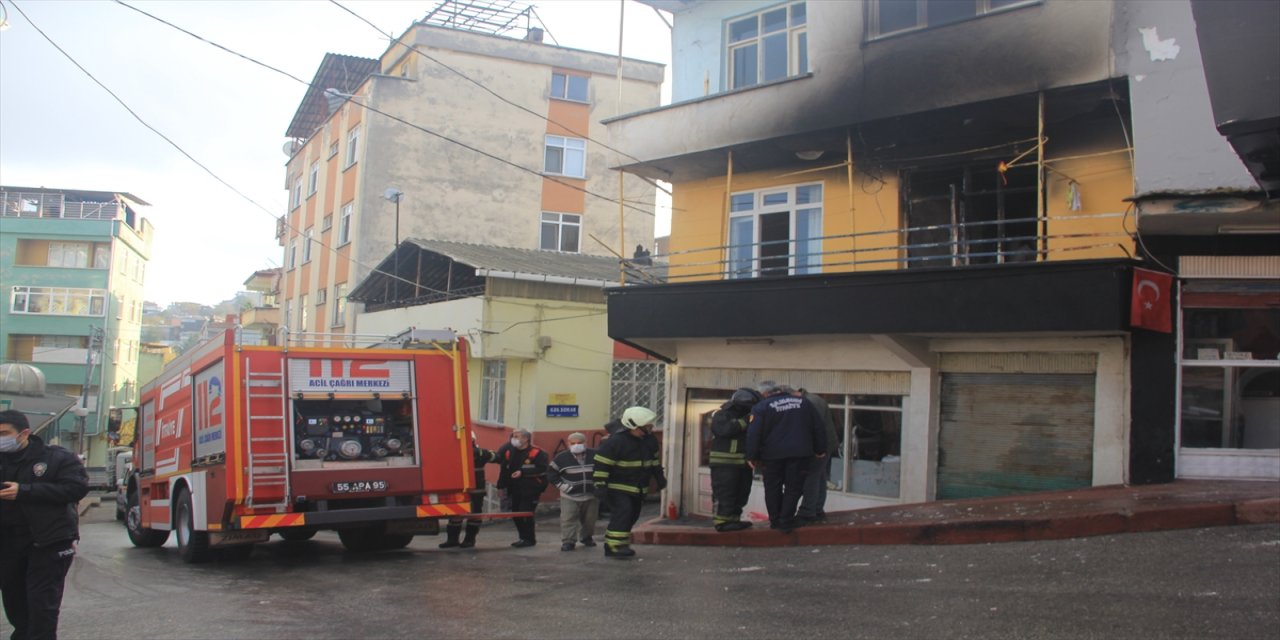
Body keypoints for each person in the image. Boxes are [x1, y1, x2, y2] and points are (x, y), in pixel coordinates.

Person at [0, 409, 89, 640]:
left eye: (4, 433)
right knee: (15, 605)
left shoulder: (56, 458)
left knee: (41, 607)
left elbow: (76, 488)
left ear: (24, 433)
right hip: (8, 545)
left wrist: (24, 491)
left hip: (48, 543)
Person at [746, 382, 827, 534]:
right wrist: (820, 449)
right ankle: (786, 520)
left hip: (772, 456)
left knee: (772, 487)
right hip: (800, 454)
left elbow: (754, 433)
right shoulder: (804, 403)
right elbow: (818, 427)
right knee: (794, 487)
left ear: (765, 394)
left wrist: (752, 456)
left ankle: (775, 519)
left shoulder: (762, 407)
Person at [592, 406, 666, 559]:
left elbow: (653, 461)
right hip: (617, 487)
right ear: (634, 425)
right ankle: (614, 547)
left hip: (638, 487)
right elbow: (602, 465)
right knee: (623, 513)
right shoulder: (615, 442)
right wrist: (600, 485)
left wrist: (659, 478)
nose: (651, 427)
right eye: (647, 426)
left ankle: (620, 543)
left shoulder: (650, 441)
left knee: (632, 515)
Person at [708, 388, 761, 532]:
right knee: (725, 493)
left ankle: (734, 520)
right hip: (724, 464)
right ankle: (721, 522)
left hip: (742, 463)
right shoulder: (722, 415)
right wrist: (746, 421)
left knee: (741, 492)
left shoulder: (749, 416)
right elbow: (725, 430)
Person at [439, 435, 498, 549]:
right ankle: (469, 540)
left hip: (458, 489)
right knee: (474, 515)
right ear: (473, 440)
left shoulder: (451, 452)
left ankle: (452, 540)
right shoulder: (481, 452)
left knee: (456, 514)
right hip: (476, 491)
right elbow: (497, 457)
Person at [495, 429, 548, 547]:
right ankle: (523, 537)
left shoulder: (537, 453)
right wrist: (500, 487)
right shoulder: (509, 451)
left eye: (517, 436)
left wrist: (522, 472)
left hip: (531, 489)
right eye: (513, 436)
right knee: (516, 514)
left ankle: (529, 539)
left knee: (526, 513)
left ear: (526, 439)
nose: (513, 439)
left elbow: (542, 469)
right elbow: (504, 469)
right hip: (514, 488)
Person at [547, 432, 598, 551]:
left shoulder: (595, 455)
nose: (576, 445)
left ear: (586, 443)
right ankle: (568, 541)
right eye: (573, 443)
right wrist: (563, 486)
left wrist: (599, 486)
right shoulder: (561, 458)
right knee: (568, 518)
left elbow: (604, 470)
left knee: (590, 519)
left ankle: (587, 538)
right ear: (568, 444)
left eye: (579, 443)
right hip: (569, 495)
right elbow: (551, 474)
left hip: (591, 494)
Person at [796, 388, 839, 524]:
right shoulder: (813, 399)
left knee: (811, 477)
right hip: (825, 444)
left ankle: (807, 511)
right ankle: (818, 509)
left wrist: (814, 449)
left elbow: (813, 427)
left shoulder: (810, 402)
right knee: (819, 477)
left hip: (819, 447)